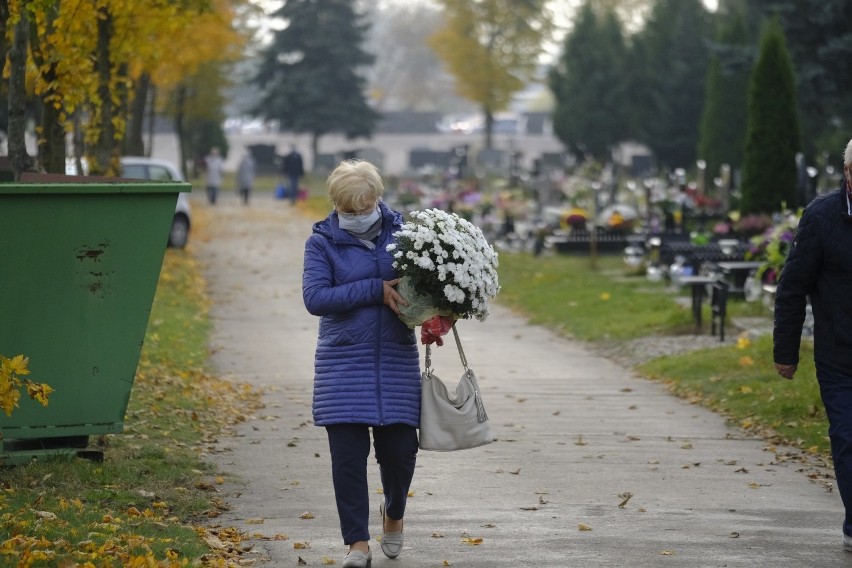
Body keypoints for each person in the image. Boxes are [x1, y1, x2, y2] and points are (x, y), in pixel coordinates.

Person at [302, 159, 419, 567]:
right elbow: (315, 299)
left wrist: (441, 308)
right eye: (347, 211)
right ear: (336, 205)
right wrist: (374, 289)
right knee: (348, 461)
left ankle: (394, 513)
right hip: (343, 364)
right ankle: (357, 545)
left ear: (377, 199)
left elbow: (424, 287)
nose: (355, 216)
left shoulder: (405, 235)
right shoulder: (321, 243)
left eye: (363, 207)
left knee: (401, 454)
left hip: (396, 362)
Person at [774, 137, 852, 552]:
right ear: (848, 174)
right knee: (846, 436)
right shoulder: (822, 217)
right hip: (840, 354)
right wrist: (786, 352)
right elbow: (792, 288)